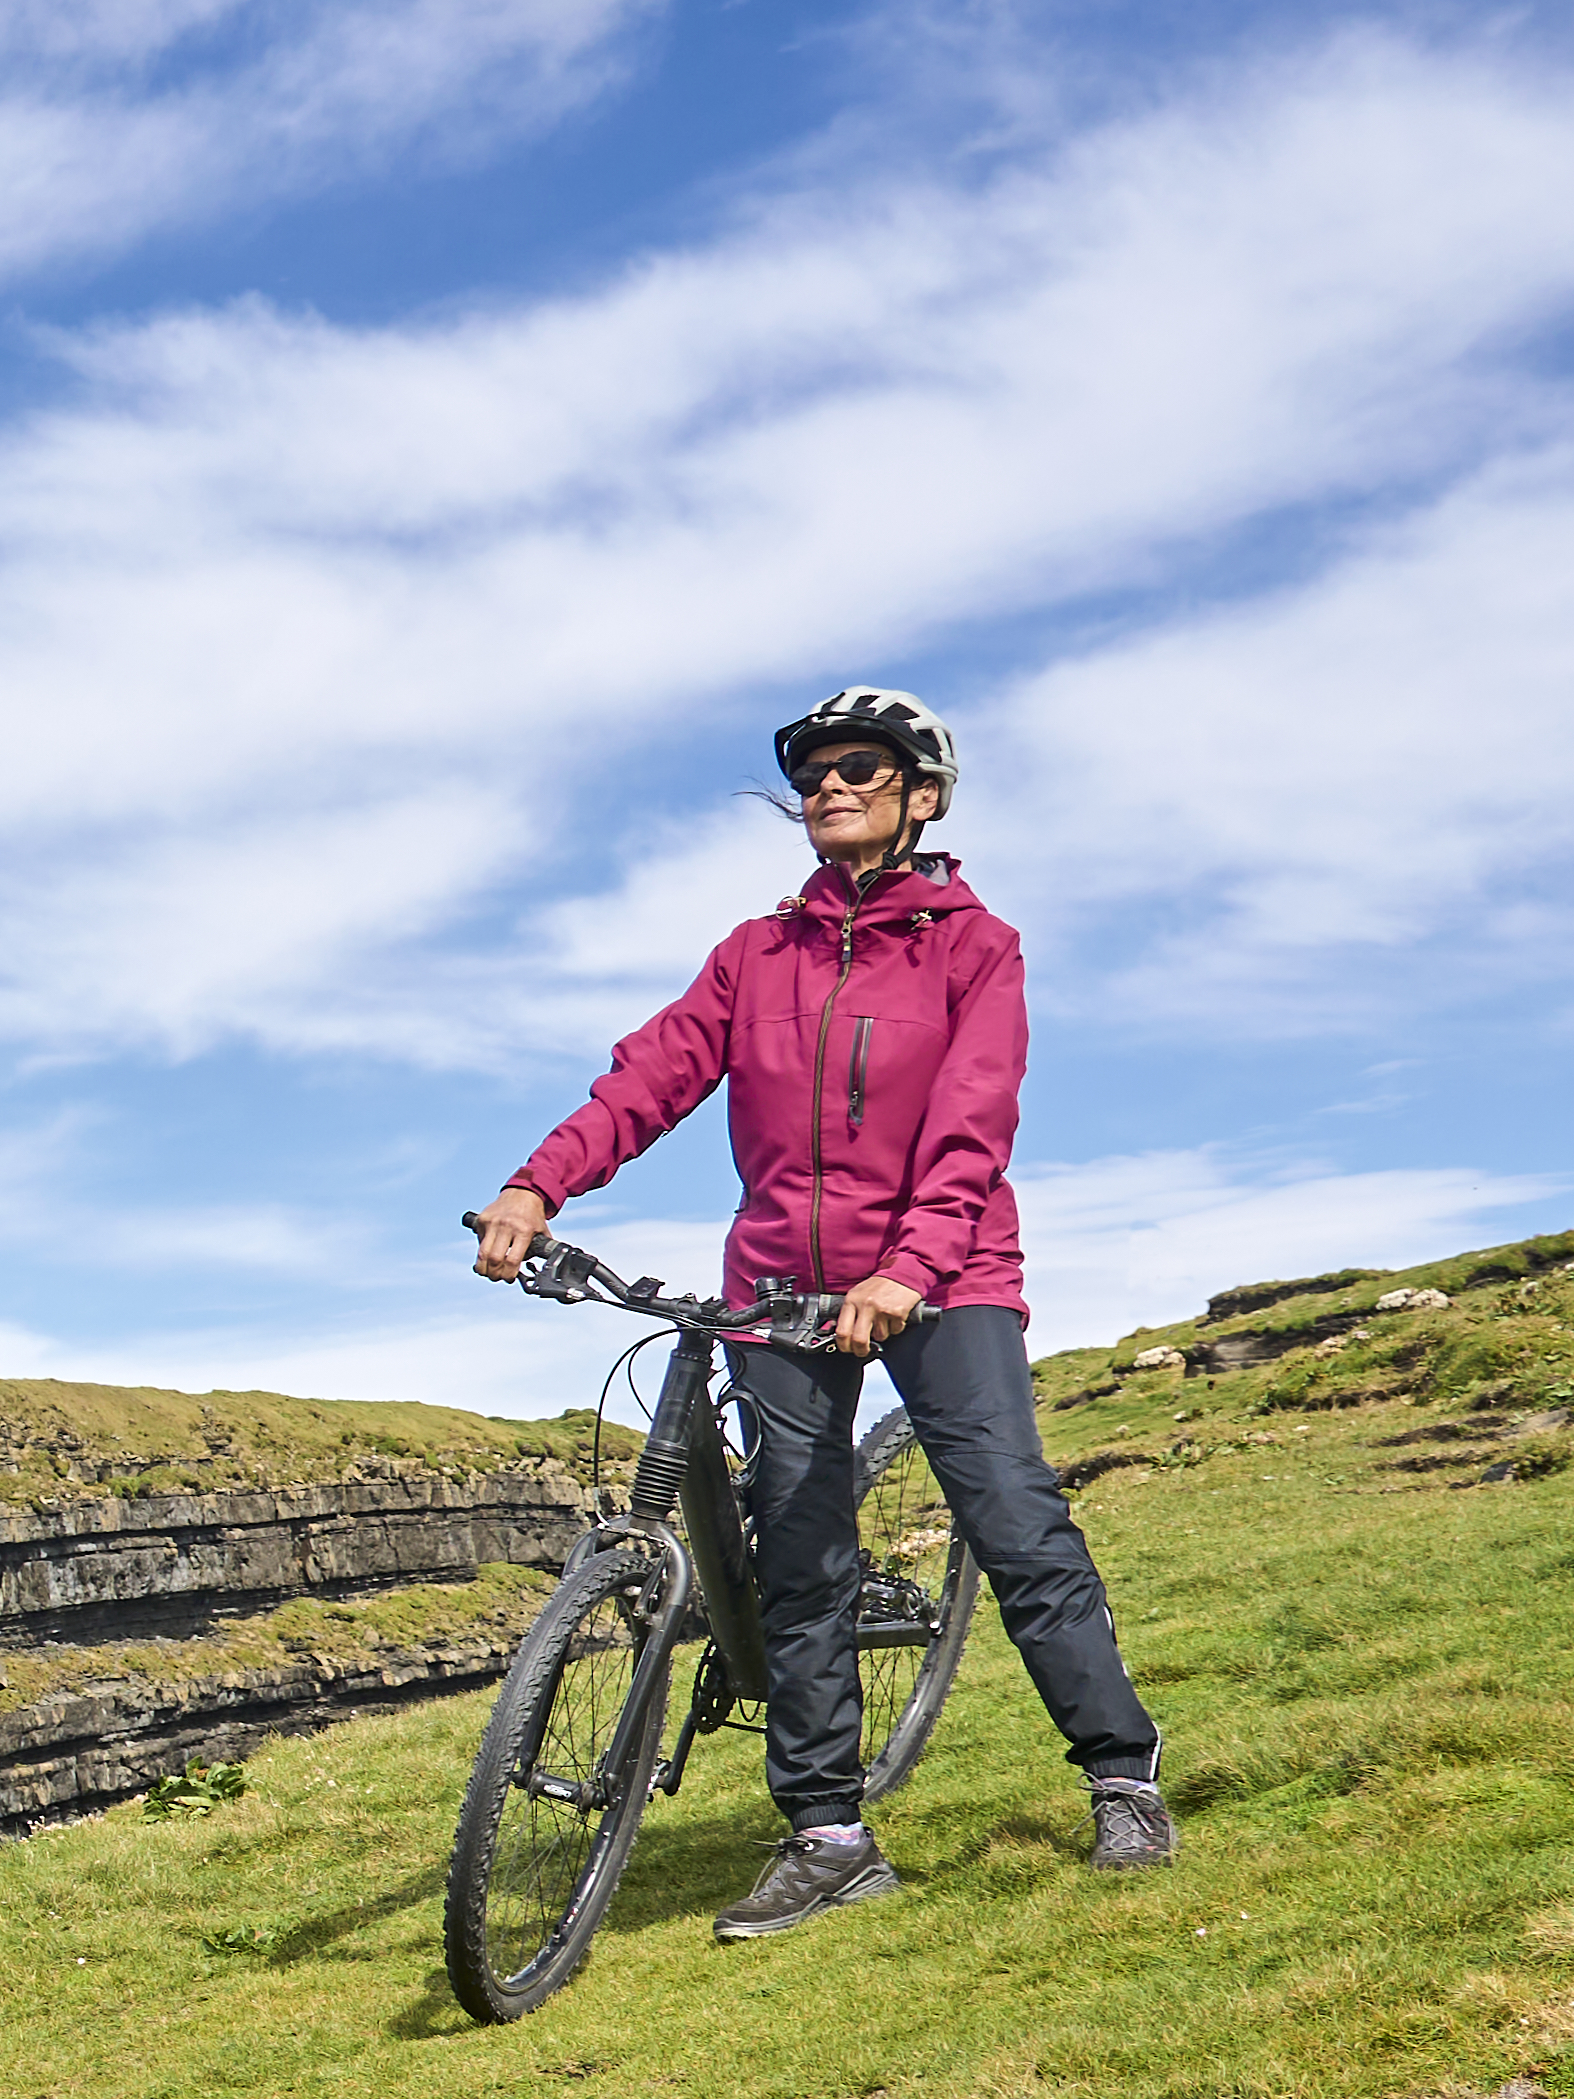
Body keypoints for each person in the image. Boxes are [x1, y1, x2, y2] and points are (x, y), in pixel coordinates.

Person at [467, 685, 1168, 1940]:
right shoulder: (758, 953)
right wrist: (538, 1182)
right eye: (813, 774)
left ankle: (1122, 1775)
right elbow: (650, 1077)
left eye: (860, 768)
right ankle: (831, 1837)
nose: (829, 787)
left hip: (944, 1273)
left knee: (1012, 1518)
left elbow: (973, 1122)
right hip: (779, 1280)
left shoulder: (975, 946)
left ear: (922, 795)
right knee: (798, 1549)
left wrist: (907, 1269)